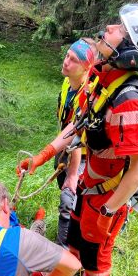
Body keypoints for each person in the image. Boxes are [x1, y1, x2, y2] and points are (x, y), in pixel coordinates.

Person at [17, 4, 138, 276]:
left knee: (96, 247)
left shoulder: (130, 102)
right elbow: (77, 127)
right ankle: (72, 272)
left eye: (120, 29)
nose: (110, 28)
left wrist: (110, 209)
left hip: (109, 193)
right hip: (91, 182)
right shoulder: (100, 81)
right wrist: (41, 156)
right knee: (76, 234)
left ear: (131, 51)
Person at [53, 38, 95, 248]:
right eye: (67, 56)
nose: (66, 62)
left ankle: (63, 249)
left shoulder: (88, 94)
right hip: (66, 150)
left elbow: (79, 135)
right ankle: (73, 233)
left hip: (83, 154)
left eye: (73, 60)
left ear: (87, 67)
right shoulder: (68, 81)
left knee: (68, 198)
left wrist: (72, 173)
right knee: (65, 188)